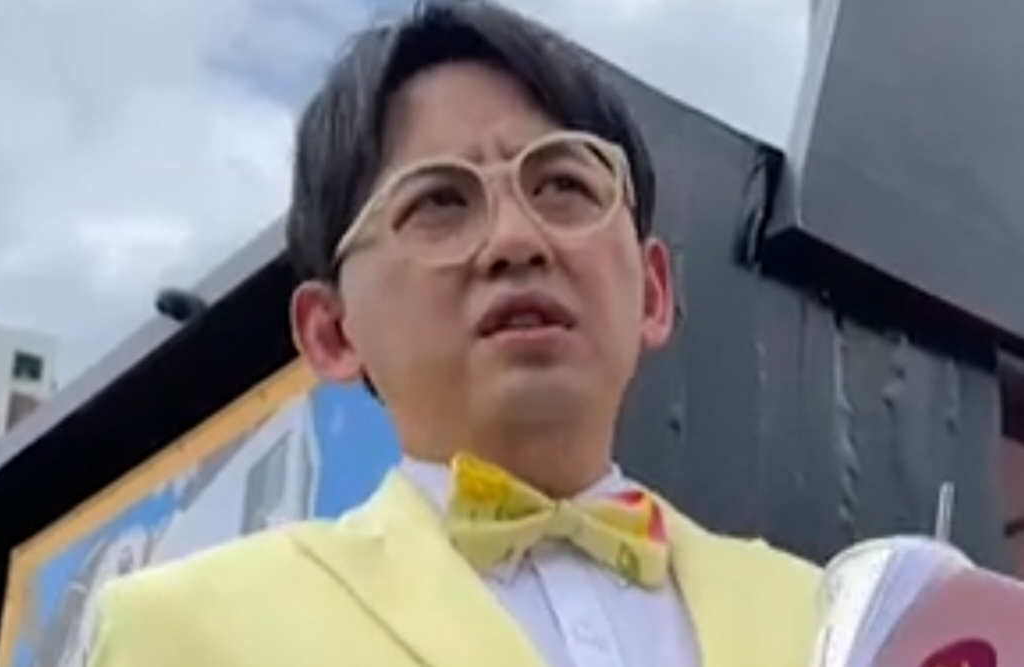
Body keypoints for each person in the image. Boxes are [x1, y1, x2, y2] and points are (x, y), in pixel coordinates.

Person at [86, 2, 821, 666]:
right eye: (440, 201)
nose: (517, 240)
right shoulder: (181, 631)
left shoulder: (827, 618)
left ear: (654, 292)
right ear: (332, 331)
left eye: (564, 185)